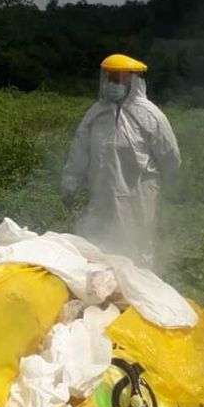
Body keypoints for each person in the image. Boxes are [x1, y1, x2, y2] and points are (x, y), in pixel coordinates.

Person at [61, 54, 181, 268]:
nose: (113, 84)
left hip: (139, 196)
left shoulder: (150, 116)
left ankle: (139, 290)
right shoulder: (96, 113)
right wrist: (70, 182)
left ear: (134, 81)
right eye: (111, 77)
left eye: (120, 78)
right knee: (98, 247)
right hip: (101, 194)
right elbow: (79, 152)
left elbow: (170, 157)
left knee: (137, 247)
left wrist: (166, 188)